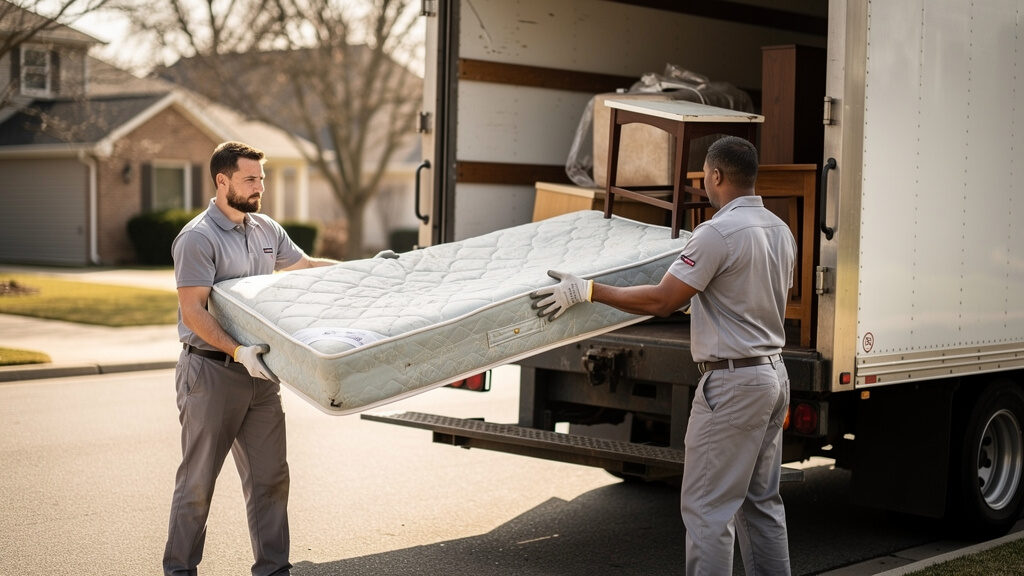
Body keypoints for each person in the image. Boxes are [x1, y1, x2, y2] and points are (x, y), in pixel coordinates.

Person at [531, 136, 795, 575]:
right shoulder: (779, 230)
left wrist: (589, 290)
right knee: (761, 503)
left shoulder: (716, 233)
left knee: (708, 511)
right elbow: (751, 295)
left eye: (705, 179)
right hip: (773, 375)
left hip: (732, 384)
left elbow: (660, 301)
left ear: (716, 175)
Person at [164, 141, 337, 576]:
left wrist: (365, 269)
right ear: (222, 181)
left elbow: (307, 266)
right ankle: (180, 571)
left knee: (271, 477)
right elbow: (193, 311)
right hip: (211, 372)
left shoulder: (265, 229)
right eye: (250, 179)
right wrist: (239, 351)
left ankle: (274, 570)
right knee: (198, 482)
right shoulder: (198, 238)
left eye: (261, 178)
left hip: (261, 375)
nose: (260, 186)